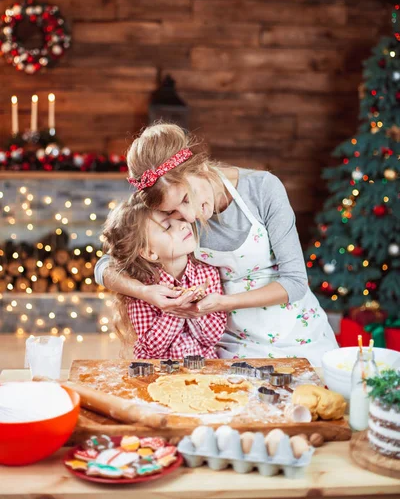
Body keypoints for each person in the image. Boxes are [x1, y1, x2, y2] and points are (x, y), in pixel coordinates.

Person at [96, 123, 338, 365]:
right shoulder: (167, 203)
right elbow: (105, 265)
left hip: (298, 335)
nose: (189, 217)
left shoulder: (263, 189)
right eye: (173, 211)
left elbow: (295, 282)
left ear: (199, 167)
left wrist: (225, 303)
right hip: (231, 345)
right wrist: (145, 292)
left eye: (186, 198)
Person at [102, 193, 226, 359]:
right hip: (157, 377)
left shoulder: (208, 273)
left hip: (203, 374)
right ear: (149, 252)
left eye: (180, 218)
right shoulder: (142, 288)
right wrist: (174, 309)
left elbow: (212, 337)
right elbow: (153, 348)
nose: (183, 225)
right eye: (167, 227)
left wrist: (195, 307)